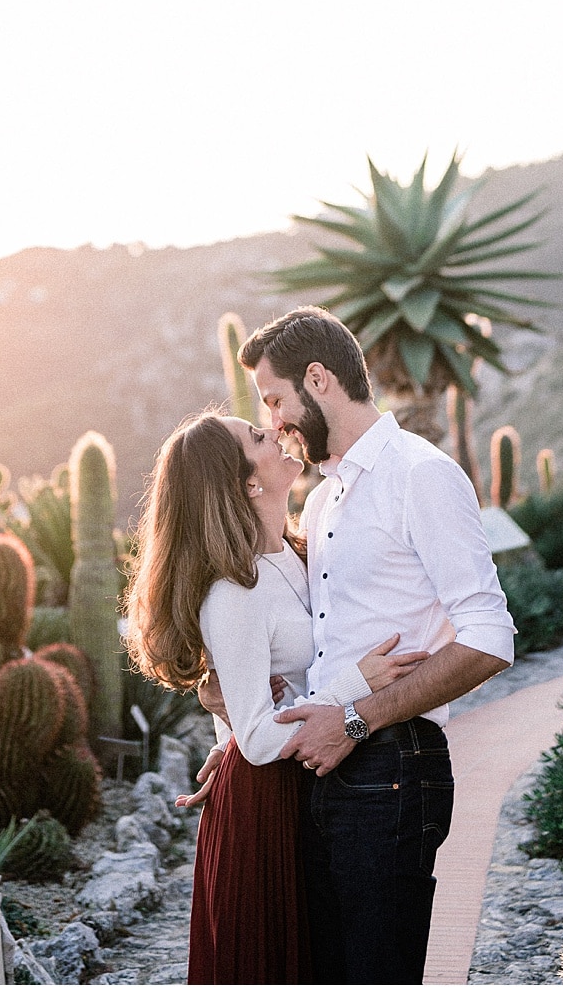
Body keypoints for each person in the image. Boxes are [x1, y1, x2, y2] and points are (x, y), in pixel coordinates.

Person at [224, 306, 517, 986]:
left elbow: (490, 636)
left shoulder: (421, 474)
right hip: (330, 769)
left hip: (394, 768)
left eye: (275, 398)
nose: (272, 422)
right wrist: (237, 734)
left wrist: (357, 718)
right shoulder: (324, 502)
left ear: (319, 379)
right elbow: (323, 650)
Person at [123, 410, 429, 985]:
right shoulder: (231, 592)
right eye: (259, 438)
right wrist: (357, 684)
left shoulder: (302, 554)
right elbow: (260, 738)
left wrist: (231, 726)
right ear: (247, 483)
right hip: (265, 807)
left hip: (315, 785)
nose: (278, 433)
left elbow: (263, 688)